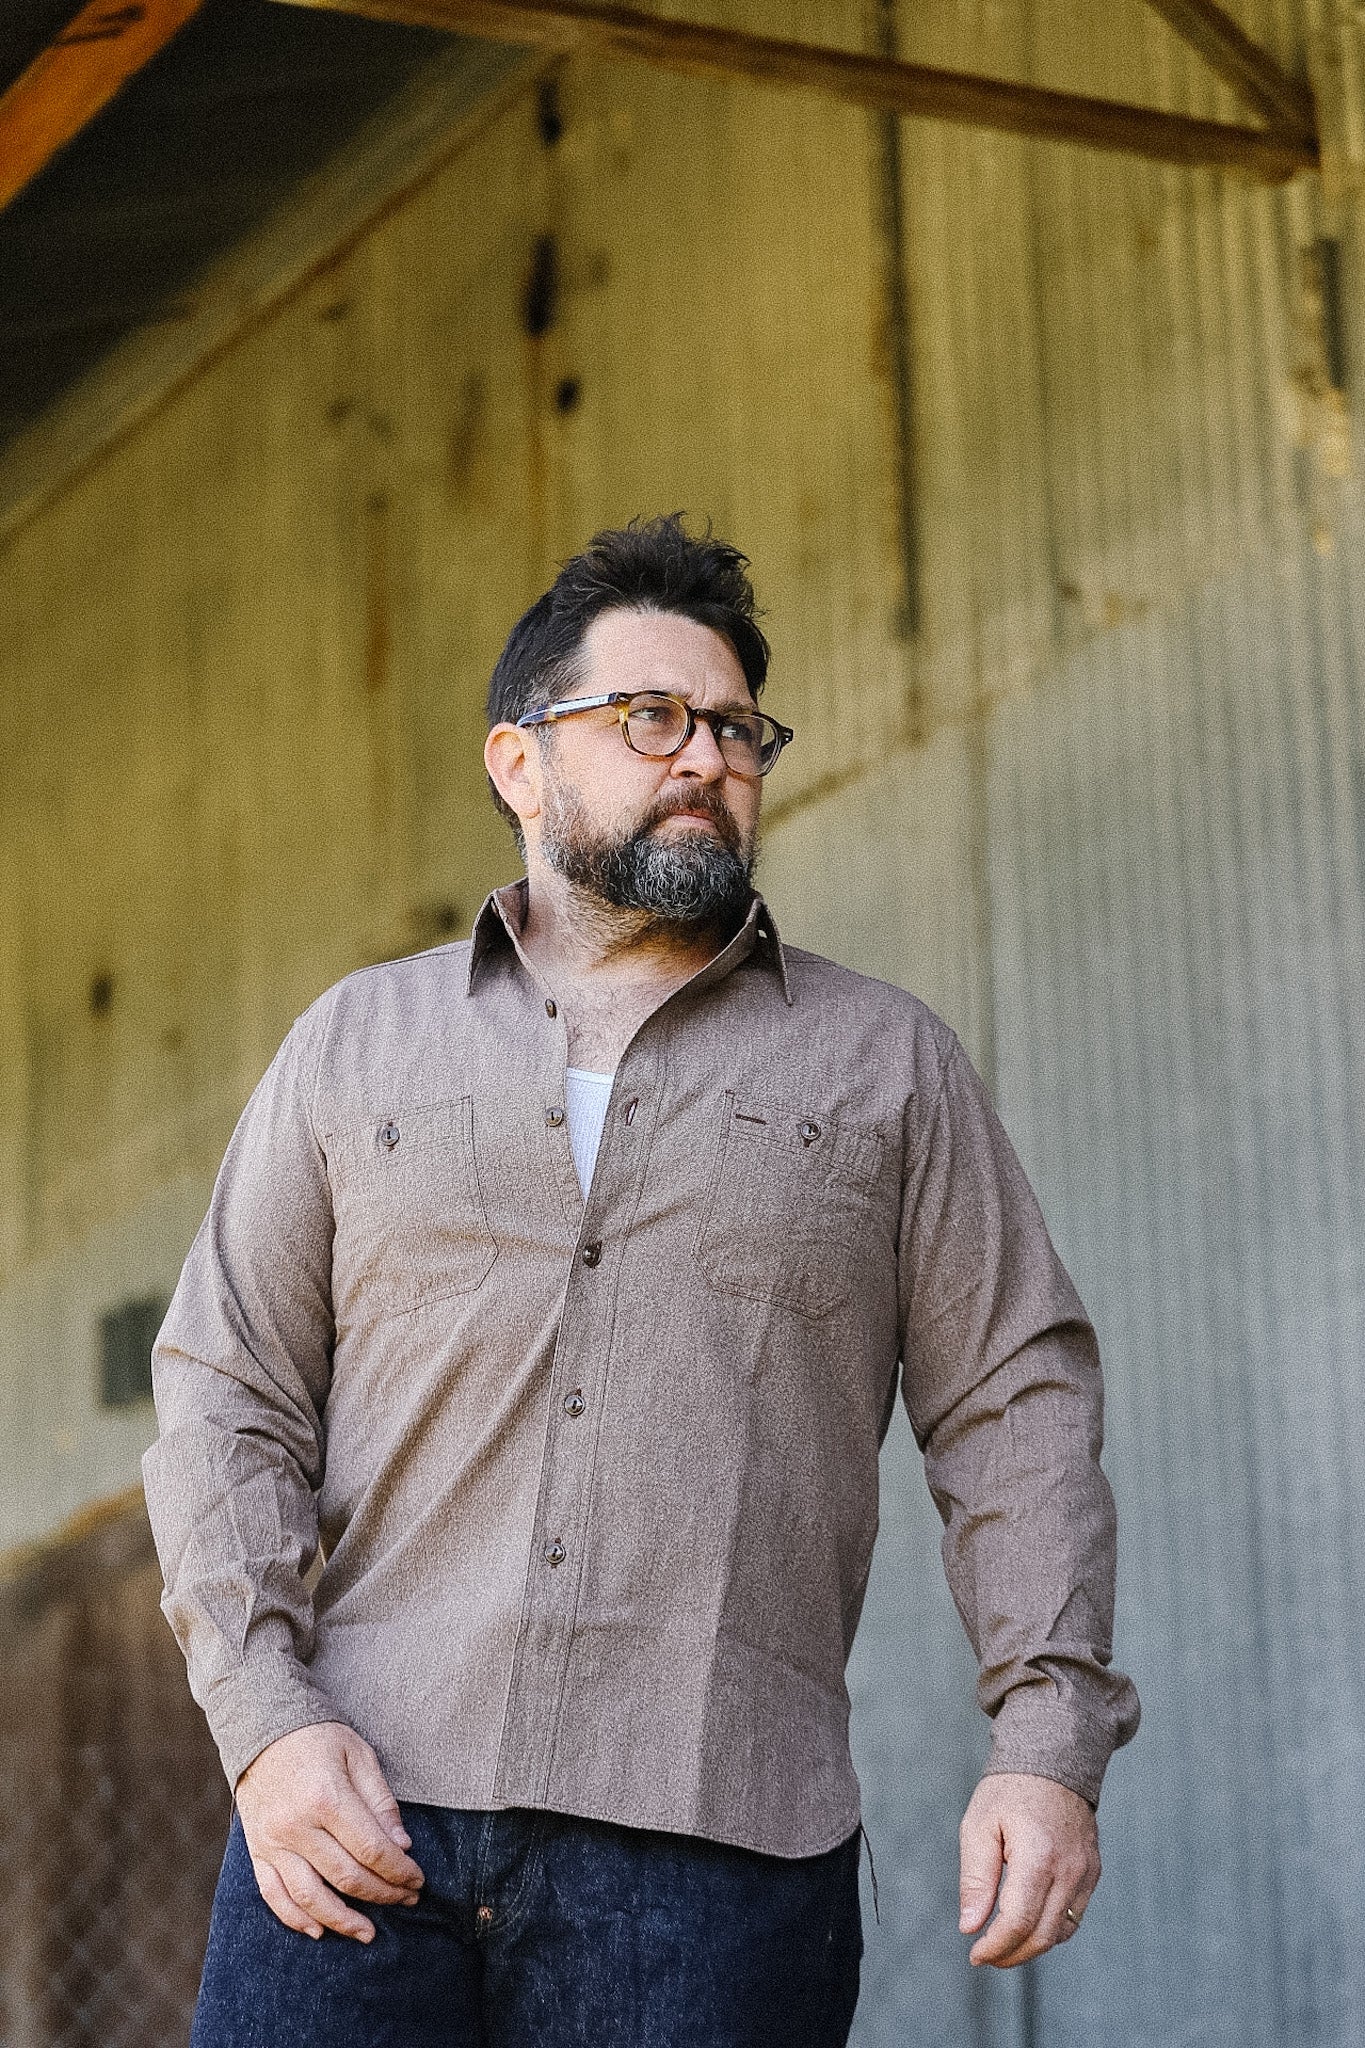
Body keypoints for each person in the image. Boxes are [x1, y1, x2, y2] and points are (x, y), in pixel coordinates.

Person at [145, 514, 1139, 2047]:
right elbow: (226, 1394)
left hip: (718, 1847)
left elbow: (1015, 1405)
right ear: (520, 762)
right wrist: (266, 1726)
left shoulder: (886, 1067)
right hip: (352, 1827)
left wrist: (1045, 1738)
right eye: (651, 717)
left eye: (737, 727)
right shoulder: (353, 1046)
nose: (706, 757)